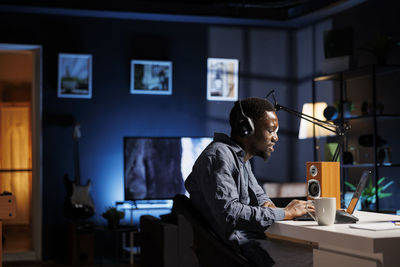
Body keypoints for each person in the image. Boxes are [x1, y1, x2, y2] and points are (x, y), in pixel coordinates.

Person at [185, 97, 313, 267]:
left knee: (317, 254)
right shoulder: (218, 156)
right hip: (236, 251)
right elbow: (231, 213)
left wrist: (268, 204)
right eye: (270, 130)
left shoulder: (240, 159)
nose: (276, 138)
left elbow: (258, 194)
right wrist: (286, 213)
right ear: (246, 129)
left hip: (247, 244)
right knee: (318, 258)